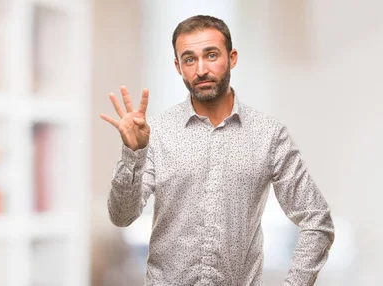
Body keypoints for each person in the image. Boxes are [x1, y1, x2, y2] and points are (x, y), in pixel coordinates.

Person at [99, 15, 335, 285]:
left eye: (211, 55)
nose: (201, 69)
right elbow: (121, 216)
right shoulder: (157, 133)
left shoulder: (268, 135)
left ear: (232, 58)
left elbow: (317, 220)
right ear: (178, 67)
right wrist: (133, 153)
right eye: (189, 59)